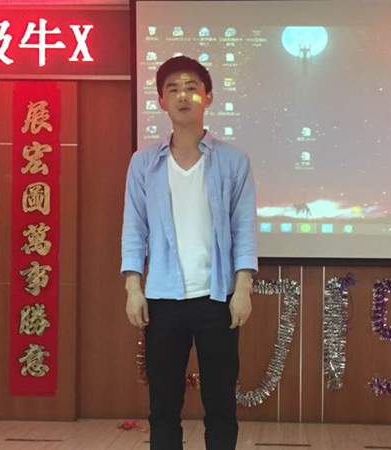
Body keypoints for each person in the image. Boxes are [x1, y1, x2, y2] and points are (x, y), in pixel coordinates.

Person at [121, 55, 258, 450]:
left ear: (208, 97)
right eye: (173, 89)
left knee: (221, 405)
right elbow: (134, 228)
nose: (183, 95)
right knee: (163, 406)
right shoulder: (144, 163)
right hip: (163, 299)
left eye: (192, 88)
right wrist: (133, 287)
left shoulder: (233, 161)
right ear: (161, 101)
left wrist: (243, 288)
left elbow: (243, 228)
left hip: (217, 299)